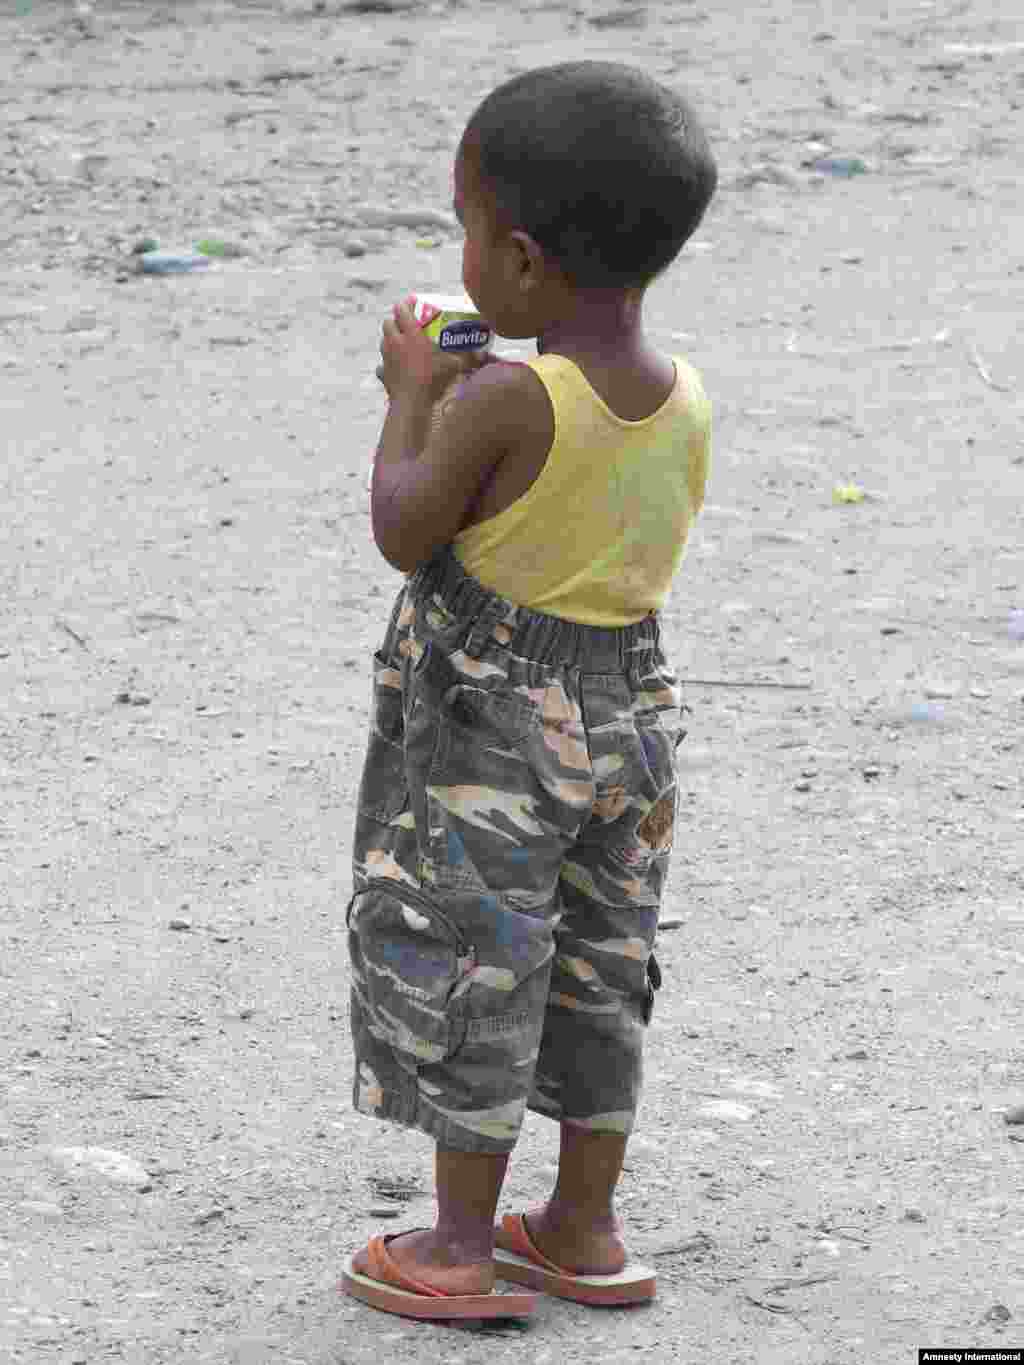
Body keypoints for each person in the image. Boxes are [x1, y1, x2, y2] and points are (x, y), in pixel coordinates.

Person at [342, 59, 716, 1321]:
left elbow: (407, 528)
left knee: (475, 958)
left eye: (467, 230)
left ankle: (454, 1249)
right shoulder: (682, 396)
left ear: (517, 258)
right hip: (632, 717)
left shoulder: (508, 396)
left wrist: (411, 399)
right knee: (601, 966)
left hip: (497, 732)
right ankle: (582, 1227)